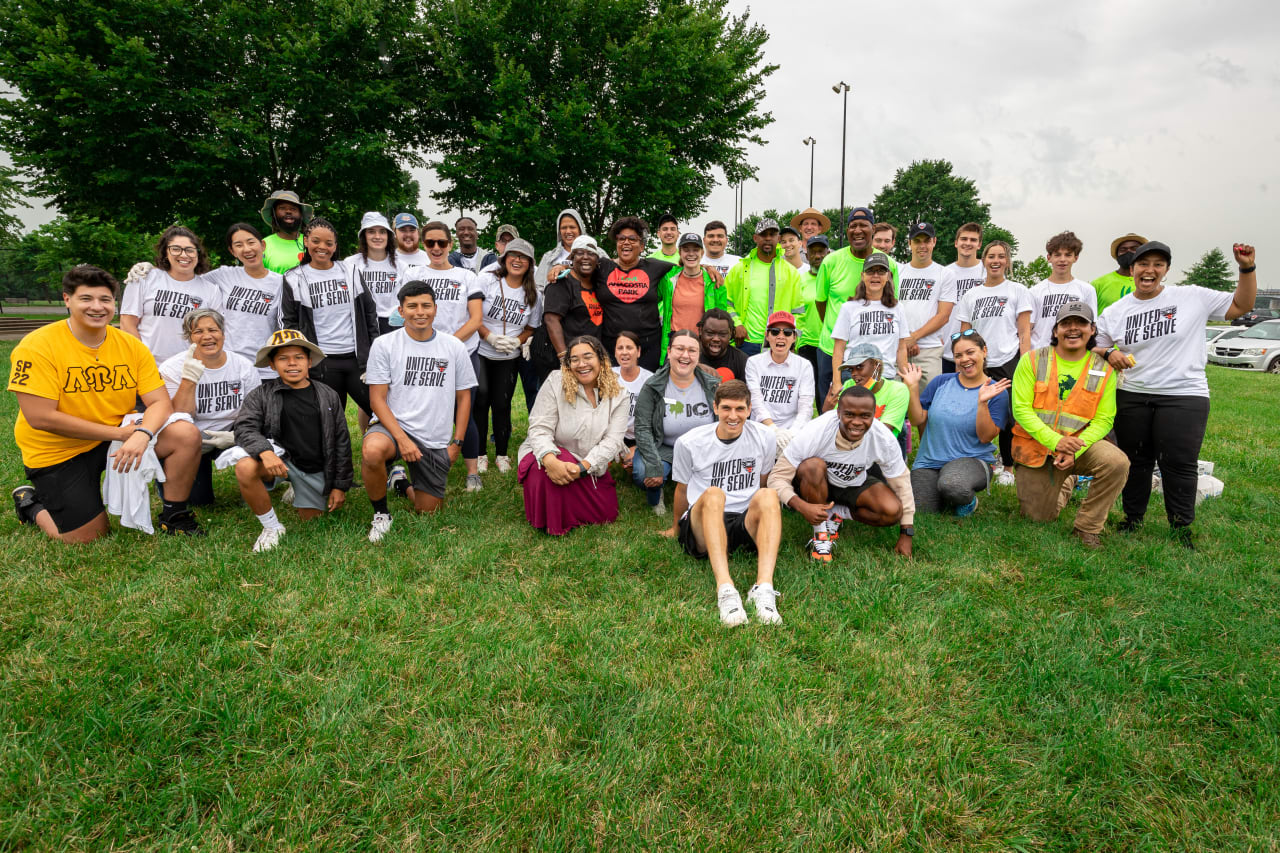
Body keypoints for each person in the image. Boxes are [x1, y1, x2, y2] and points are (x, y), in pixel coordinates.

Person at [11, 265, 204, 542]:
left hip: (116, 439)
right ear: (67, 300)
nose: (97, 307)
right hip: (59, 450)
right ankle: (30, 503)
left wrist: (142, 433)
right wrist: (121, 434)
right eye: (86, 299)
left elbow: (160, 402)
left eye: (105, 299)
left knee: (184, 433)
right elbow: (41, 418)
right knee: (88, 537)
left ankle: (174, 515)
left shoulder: (131, 345)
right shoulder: (37, 346)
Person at [1096, 241, 1257, 548]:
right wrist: (1109, 352)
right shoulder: (1117, 311)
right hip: (1132, 393)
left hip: (1184, 394)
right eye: (1143, 264)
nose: (1150, 270)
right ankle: (1132, 519)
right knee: (1135, 460)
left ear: (1166, 270)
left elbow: (1242, 306)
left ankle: (1181, 527)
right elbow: (1096, 342)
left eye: (1158, 264)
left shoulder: (1192, 296)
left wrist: (1246, 268)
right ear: (1132, 270)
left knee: (1179, 462)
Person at [361, 281, 477, 542]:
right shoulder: (384, 344)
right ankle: (381, 514)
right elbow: (377, 400)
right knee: (372, 451)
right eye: (412, 306)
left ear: (436, 309)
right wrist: (402, 439)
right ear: (401, 311)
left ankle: (401, 483)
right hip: (393, 428)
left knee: (428, 512)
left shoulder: (453, 346)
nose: (420, 312)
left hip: (432, 437)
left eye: (426, 305)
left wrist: (456, 443)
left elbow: (464, 397)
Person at [665, 380, 783, 626]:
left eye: (740, 409)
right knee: (714, 494)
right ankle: (726, 590)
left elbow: (762, 481)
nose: (733, 415)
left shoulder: (764, 436)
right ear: (715, 408)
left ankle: (763, 589)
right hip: (704, 521)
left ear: (749, 410)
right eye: (727, 408)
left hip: (742, 522)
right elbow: (682, 489)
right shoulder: (690, 442)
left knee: (769, 495)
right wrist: (676, 528)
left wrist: (762, 516)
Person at [1011, 301, 1127, 549]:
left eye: (1081, 323)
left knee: (1117, 462)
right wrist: (1056, 442)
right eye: (1066, 324)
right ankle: (1066, 481)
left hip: (1079, 447)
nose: (1073, 329)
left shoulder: (1104, 369)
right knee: (1038, 518)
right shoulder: (1031, 360)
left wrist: (1074, 449)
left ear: (1092, 329)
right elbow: (1021, 410)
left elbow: (1104, 419)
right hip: (1038, 449)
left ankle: (1087, 528)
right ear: (1055, 331)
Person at [232, 329, 351, 552]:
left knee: (313, 523)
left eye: (298, 357)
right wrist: (265, 452)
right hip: (279, 462)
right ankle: (271, 527)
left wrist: (340, 486)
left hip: (313, 467)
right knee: (245, 467)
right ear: (272, 364)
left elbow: (341, 441)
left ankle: (300, 488)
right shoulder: (261, 394)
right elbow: (244, 427)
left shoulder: (327, 395)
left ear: (309, 361)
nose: (292, 364)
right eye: (283, 358)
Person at [769, 385, 915, 562]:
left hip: (853, 483)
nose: (857, 422)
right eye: (849, 414)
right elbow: (777, 478)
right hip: (815, 483)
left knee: (891, 511)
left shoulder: (883, 437)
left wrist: (906, 534)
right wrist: (801, 506)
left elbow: (902, 483)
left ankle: (837, 513)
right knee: (812, 466)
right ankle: (820, 535)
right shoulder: (815, 430)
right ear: (838, 412)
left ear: (873, 416)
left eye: (865, 416)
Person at [397, 221, 486, 490]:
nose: (436, 248)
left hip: (462, 353)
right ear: (423, 245)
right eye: (430, 243)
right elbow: (405, 314)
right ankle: (417, 467)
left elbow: (476, 319)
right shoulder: (413, 273)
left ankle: (472, 472)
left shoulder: (467, 276)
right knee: (419, 411)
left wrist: (446, 345)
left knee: (464, 411)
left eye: (442, 243)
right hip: (420, 355)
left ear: (451, 244)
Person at [518, 335, 630, 535]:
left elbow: (613, 441)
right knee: (543, 475)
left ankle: (571, 500)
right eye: (575, 359)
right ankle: (554, 517)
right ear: (568, 364)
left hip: (588, 464)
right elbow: (539, 428)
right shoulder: (555, 381)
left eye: (588, 357)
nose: (581, 364)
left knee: (606, 514)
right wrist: (550, 460)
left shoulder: (620, 393)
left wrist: (583, 468)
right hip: (550, 454)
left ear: (601, 360)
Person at [159, 308, 261, 505]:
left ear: (223, 333)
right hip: (192, 434)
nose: (207, 337)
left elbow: (256, 412)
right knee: (198, 501)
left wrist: (239, 436)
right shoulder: (171, 368)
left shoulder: (242, 365)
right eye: (198, 332)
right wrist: (189, 380)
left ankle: (258, 481)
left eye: (213, 330)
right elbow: (178, 418)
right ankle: (169, 475)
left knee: (263, 438)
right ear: (188, 337)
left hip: (233, 429)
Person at [903, 331, 1011, 516]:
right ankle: (945, 495)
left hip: (972, 460)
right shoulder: (940, 382)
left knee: (953, 485)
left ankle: (968, 501)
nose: (964, 359)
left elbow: (985, 437)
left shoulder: (996, 391)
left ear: (984, 351)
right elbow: (917, 419)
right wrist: (912, 388)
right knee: (920, 510)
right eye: (958, 355)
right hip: (929, 462)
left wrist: (982, 403)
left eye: (970, 352)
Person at [280, 217, 380, 418]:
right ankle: (336, 451)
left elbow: (370, 313)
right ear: (306, 241)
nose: (322, 247)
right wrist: (301, 360)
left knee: (381, 410)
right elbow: (288, 324)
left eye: (329, 243)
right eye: (316, 241)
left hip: (357, 360)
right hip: (322, 362)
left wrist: (375, 353)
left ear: (335, 246)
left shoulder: (350, 272)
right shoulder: (293, 278)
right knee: (329, 419)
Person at [955, 240, 1032, 481]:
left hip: (1009, 360)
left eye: (1001, 256)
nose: (995, 261)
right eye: (991, 256)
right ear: (984, 260)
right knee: (975, 411)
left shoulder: (1017, 290)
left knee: (1009, 416)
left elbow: (1024, 332)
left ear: (1007, 261)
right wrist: (963, 358)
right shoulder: (972, 294)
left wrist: (1025, 362)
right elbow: (965, 332)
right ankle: (977, 459)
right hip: (979, 362)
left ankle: (1008, 468)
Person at [815, 207, 899, 399]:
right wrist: (836, 328)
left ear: (873, 229)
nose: (858, 230)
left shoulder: (888, 263)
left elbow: (892, 305)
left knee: (872, 410)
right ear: (847, 231)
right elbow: (821, 302)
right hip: (831, 349)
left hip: (871, 352)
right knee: (829, 407)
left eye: (864, 225)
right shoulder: (831, 261)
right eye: (853, 226)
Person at [633, 330, 720, 514]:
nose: (685, 355)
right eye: (680, 349)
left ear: (699, 355)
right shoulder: (652, 385)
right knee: (643, 473)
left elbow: (723, 422)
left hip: (701, 449)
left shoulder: (712, 385)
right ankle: (658, 491)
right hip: (664, 447)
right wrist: (654, 465)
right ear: (670, 351)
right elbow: (642, 428)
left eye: (692, 350)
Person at [475, 238, 542, 473]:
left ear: (530, 263)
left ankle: (502, 455)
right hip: (482, 351)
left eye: (523, 257)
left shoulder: (533, 294)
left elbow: (531, 327)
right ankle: (480, 453)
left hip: (509, 356)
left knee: (502, 403)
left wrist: (517, 341)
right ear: (504, 258)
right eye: (513, 255)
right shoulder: (487, 280)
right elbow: (471, 315)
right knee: (481, 399)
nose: (517, 260)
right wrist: (489, 336)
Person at [120, 225, 222, 363]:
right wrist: (143, 360)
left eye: (190, 250)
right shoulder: (143, 278)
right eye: (175, 249)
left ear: (198, 254)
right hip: (147, 366)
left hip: (191, 368)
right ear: (165, 253)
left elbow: (215, 332)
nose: (184, 255)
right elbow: (127, 324)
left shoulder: (211, 290)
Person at [591, 216, 676, 371]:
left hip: (648, 348)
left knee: (645, 393)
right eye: (621, 238)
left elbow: (687, 267)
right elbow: (579, 269)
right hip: (611, 348)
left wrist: (707, 267)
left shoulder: (655, 267)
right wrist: (561, 269)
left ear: (642, 246)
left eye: (632, 239)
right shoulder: (602, 267)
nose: (626, 242)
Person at [204, 223, 285, 379]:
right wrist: (153, 272)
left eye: (251, 242)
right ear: (232, 251)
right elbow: (186, 281)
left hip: (265, 368)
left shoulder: (281, 283)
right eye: (239, 245)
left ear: (262, 245)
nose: (247, 249)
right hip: (230, 366)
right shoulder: (224, 275)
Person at [724, 218, 808, 355]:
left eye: (772, 234)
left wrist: (793, 340)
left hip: (778, 345)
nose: (768, 238)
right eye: (763, 235)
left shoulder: (791, 272)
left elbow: (798, 312)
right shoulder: (739, 269)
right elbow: (726, 302)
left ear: (779, 238)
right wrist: (736, 324)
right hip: (746, 343)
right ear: (755, 238)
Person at [829, 251, 910, 393]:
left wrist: (906, 380)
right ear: (862, 276)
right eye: (870, 271)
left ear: (888, 276)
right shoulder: (849, 307)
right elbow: (838, 349)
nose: (876, 276)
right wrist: (836, 382)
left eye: (881, 271)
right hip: (854, 376)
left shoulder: (898, 308)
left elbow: (901, 348)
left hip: (886, 377)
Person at [896, 222, 957, 385]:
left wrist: (914, 337)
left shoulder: (945, 274)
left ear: (934, 242)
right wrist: (905, 340)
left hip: (929, 350)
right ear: (909, 243)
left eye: (926, 241)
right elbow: (891, 309)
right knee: (896, 404)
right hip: (897, 348)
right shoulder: (898, 272)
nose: (922, 246)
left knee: (927, 405)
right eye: (917, 241)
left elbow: (943, 316)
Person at [657, 232, 729, 364]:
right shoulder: (668, 279)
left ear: (702, 252)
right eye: (686, 250)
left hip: (701, 345)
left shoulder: (715, 282)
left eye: (695, 250)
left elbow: (723, 319)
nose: (691, 254)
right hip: (674, 343)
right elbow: (652, 298)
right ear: (680, 252)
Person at [744, 311, 815, 442]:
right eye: (775, 331)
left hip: (793, 432)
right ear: (767, 335)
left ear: (794, 337)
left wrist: (792, 434)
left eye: (787, 332)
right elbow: (755, 400)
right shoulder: (753, 363)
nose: (781, 336)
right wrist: (773, 429)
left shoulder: (804, 365)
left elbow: (806, 405)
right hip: (761, 430)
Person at [831, 342, 911, 457]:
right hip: (849, 452)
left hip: (882, 455)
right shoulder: (849, 385)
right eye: (851, 369)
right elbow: (835, 424)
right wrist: (828, 408)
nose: (854, 374)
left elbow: (883, 434)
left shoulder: (897, 390)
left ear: (876, 366)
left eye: (859, 367)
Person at [1028, 231, 1097, 349]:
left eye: (1068, 255)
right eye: (1057, 255)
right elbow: (1028, 328)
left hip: (1074, 353)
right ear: (1049, 258)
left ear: (1076, 258)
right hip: (1041, 354)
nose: (1062, 259)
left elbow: (1091, 326)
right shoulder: (1034, 291)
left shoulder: (1086, 290)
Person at [543, 234, 606, 360]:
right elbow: (551, 319)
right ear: (572, 258)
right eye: (580, 253)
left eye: (591, 253)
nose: (585, 257)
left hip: (591, 356)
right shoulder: (562, 282)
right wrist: (564, 356)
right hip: (568, 357)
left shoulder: (599, 282)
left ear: (597, 260)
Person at [942, 222, 987, 374]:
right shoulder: (945, 273)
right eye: (964, 239)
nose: (968, 243)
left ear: (979, 244)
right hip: (946, 350)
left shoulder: (987, 272)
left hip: (977, 351)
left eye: (973, 240)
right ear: (956, 243)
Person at [344, 212, 400, 334]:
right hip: (362, 324)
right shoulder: (351, 263)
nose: (377, 236)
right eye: (371, 231)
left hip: (392, 326)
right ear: (364, 235)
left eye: (382, 231)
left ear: (388, 235)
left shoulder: (401, 265)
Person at [612, 331, 652, 470]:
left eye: (629, 348)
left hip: (641, 437)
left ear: (638, 351)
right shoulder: (608, 376)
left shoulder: (649, 380)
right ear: (615, 352)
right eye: (620, 348)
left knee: (633, 466)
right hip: (615, 435)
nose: (624, 352)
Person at [795, 235, 831, 375]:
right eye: (813, 252)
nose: (817, 256)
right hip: (806, 344)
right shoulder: (799, 281)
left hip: (830, 344)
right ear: (807, 255)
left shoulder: (834, 280)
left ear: (828, 254)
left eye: (821, 251)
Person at [1091, 232, 1146, 314]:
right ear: (1117, 255)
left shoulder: (1150, 283)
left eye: (1134, 249)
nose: (1128, 251)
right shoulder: (1098, 284)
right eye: (1123, 250)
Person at [259, 190, 313, 274]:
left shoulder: (312, 242)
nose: (288, 211)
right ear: (274, 214)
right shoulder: (263, 245)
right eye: (282, 208)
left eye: (293, 209)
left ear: (301, 215)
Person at [536, 208, 587, 287]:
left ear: (580, 229)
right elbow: (538, 288)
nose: (568, 231)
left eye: (572, 227)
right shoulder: (548, 257)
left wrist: (563, 266)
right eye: (564, 228)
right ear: (559, 231)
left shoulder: (597, 253)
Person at [698, 308, 748, 381]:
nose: (716, 339)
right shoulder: (690, 356)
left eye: (722, 334)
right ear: (700, 331)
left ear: (730, 333)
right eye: (710, 333)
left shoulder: (742, 361)